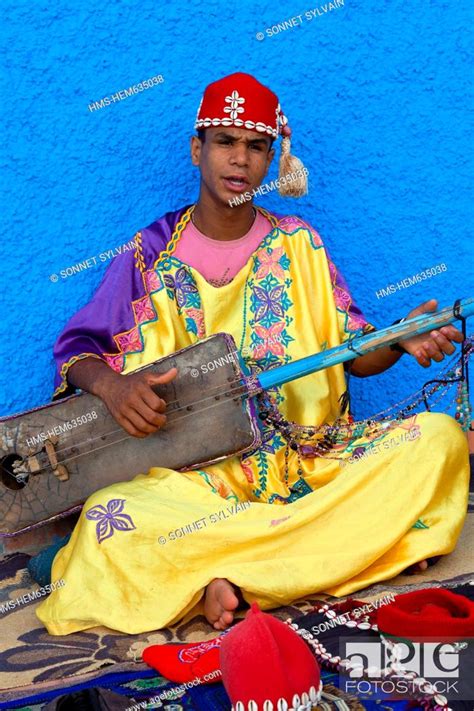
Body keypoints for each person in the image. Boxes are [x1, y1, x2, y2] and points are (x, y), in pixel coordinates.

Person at [36, 72, 469, 636]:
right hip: (197, 482)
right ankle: (298, 559)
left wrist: (397, 338)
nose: (239, 159)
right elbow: (79, 351)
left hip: (311, 461)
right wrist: (115, 387)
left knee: (439, 443)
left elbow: (352, 352)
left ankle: (219, 569)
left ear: (271, 161)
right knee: (111, 516)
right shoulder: (149, 254)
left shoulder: (300, 244)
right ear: (198, 149)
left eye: (256, 146)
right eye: (225, 141)